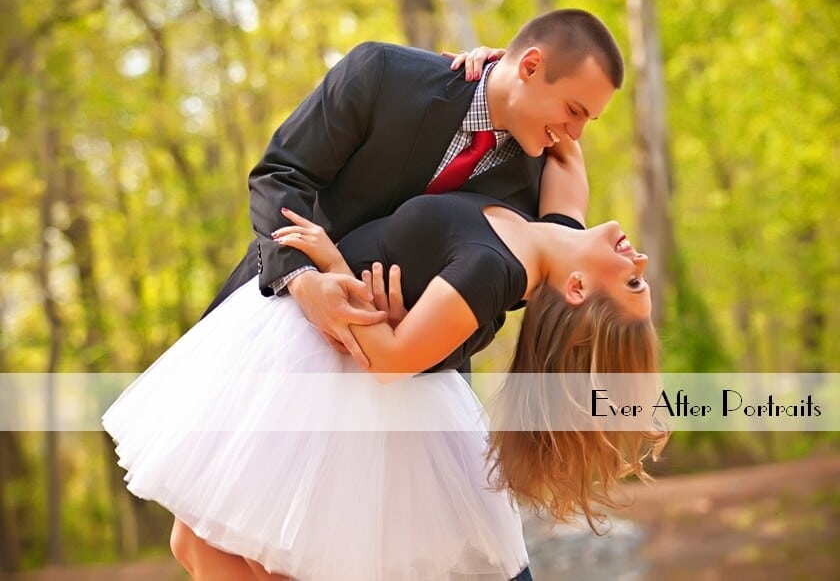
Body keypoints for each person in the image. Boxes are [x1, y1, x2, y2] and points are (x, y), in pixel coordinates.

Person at [102, 146, 666, 580]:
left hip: (336, 371)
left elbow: (391, 360)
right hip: (302, 351)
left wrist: (332, 265)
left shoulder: (493, 267)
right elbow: (566, 136)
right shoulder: (555, 232)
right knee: (202, 545)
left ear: (576, 288)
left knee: (240, 554)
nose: (637, 256)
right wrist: (497, 63)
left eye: (632, 280)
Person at [202, 8, 624, 372]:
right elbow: (281, 174)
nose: (576, 132)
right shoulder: (382, 74)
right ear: (530, 67)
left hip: (400, 383)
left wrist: (414, 331)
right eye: (573, 111)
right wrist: (303, 281)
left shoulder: (534, 200)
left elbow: (491, 316)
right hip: (277, 314)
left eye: (588, 120)